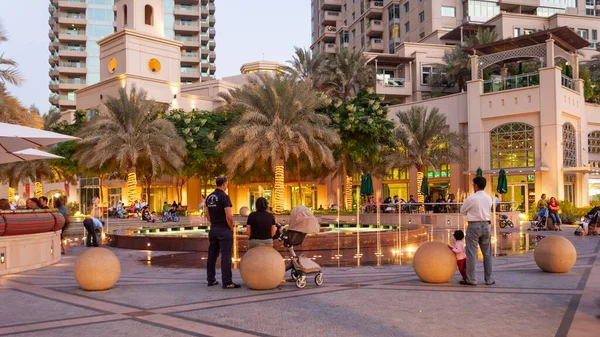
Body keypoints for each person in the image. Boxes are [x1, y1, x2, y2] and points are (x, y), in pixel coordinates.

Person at [206, 176, 240, 289]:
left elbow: (207, 214)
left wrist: (214, 223)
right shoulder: (224, 197)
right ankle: (227, 282)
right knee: (226, 255)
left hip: (213, 228)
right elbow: (229, 215)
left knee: (212, 255)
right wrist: (230, 227)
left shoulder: (209, 197)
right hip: (223, 229)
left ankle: (211, 279)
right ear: (224, 184)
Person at [460, 176, 494, 286]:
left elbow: (462, 210)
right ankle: (488, 279)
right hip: (486, 225)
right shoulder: (489, 198)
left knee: (471, 253)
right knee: (487, 254)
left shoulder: (471, 198)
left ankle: (471, 279)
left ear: (476, 185)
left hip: (474, 226)